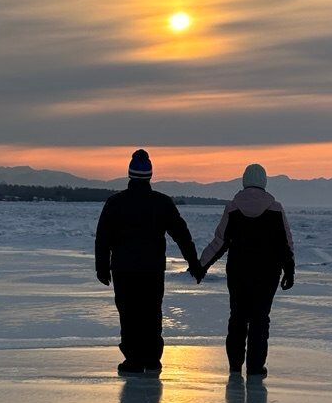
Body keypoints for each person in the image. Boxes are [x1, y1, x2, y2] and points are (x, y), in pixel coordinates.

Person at [95, 148, 203, 374]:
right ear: (150, 176)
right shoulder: (162, 203)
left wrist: (102, 267)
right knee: (152, 311)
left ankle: (134, 359)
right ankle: (152, 359)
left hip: (124, 269)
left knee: (129, 313)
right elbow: (182, 234)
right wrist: (194, 263)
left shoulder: (116, 203)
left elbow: (103, 237)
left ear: (130, 175)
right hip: (152, 269)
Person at [199, 163, 294, 377]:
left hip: (238, 273)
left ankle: (235, 365)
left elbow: (219, 242)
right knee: (260, 319)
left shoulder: (233, 208)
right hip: (267, 275)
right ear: (264, 182)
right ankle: (255, 367)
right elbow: (285, 244)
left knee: (238, 317)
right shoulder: (275, 209)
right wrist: (290, 270)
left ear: (244, 181)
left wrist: (201, 266)